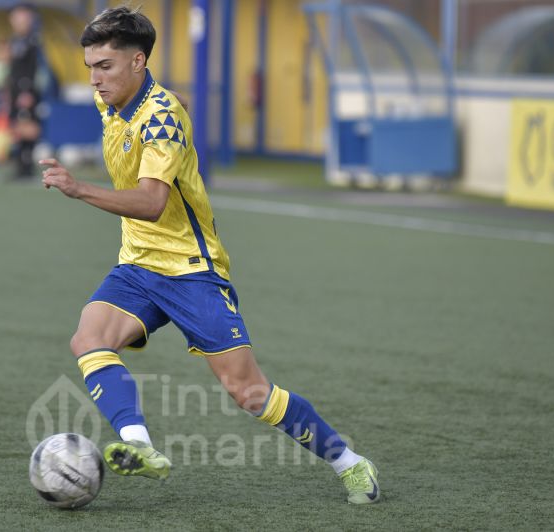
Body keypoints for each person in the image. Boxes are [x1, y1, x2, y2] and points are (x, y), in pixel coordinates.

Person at [40, 6, 381, 505]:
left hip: (192, 272)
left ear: (138, 62)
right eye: (90, 66)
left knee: (250, 393)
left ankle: (350, 463)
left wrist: (79, 189)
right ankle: (139, 446)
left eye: (105, 67)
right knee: (88, 339)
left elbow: (153, 203)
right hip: (138, 265)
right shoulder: (113, 102)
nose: (94, 79)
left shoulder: (161, 118)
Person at [7, 3, 43, 178]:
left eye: (21, 18)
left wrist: (27, 92)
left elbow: (32, 69)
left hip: (25, 92)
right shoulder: (15, 41)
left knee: (27, 127)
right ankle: (20, 165)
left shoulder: (32, 41)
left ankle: (26, 167)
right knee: (18, 127)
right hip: (15, 91)